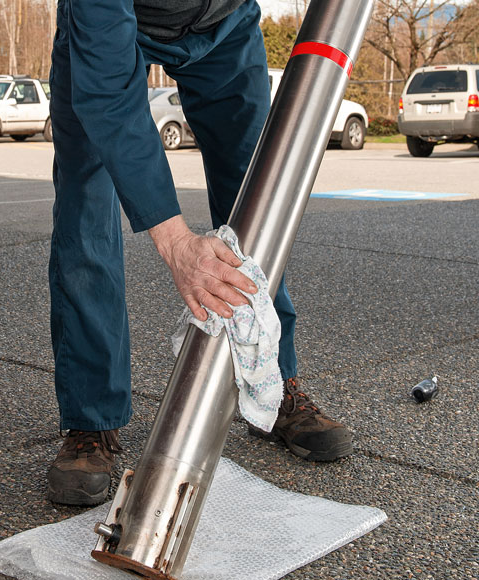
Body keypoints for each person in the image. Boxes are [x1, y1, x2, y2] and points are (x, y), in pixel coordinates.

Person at [47, 0, 352, 507]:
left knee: (259, 192)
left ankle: (271, 385)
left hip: (223, 24)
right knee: (85, 214)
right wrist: (176, 243)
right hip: (106, 22)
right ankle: (90, 421)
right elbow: (109, 97)